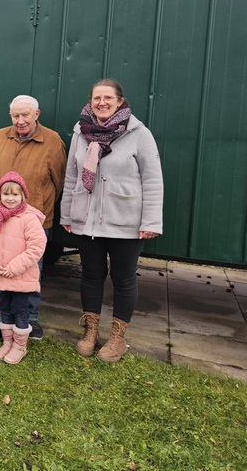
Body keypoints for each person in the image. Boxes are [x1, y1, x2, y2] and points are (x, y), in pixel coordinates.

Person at [60, 79, 163, 363]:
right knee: (91, 275)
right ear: (90, 101)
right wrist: (67, 213)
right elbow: (71, 175)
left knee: (123, 278)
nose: (101, 102)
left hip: (125, 220)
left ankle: (118, 336)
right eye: (96, 98)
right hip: (87, 220)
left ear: (120, 101)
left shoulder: (138, 134)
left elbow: (152, 179)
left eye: (108, 98)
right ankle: (91, 332)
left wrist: (151, 221)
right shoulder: (81, 133)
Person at [0, 94, 67, 340]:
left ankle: (29, 318)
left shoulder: (52, 141)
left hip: (33, 219)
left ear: (36, 115)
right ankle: (5, 316)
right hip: (0, 218)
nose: (20, 120)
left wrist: (37, 205)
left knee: (30, 269)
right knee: (1, 265)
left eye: (25, 115)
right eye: (15, 115)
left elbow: (59, 181)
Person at [0, 172, 47, 365]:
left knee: (20, 309)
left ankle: (20, 346)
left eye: (15, 195)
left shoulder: (29, 219)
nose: (10, 198)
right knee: (5, 308)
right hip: (1, 274)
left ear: (23, 196)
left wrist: (14, 267)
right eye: (6, 194)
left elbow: (36, 247)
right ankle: (7, 341)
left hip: (20, 276)